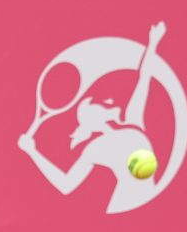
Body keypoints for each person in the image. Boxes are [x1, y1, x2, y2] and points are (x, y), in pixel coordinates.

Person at [17, 21, 167, 214]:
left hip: (146, 203)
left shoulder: (132, 120)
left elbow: (144, 77)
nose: (108, 102)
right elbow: (66, 185)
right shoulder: (95, 148)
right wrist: (33, 152)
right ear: (93, 119)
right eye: (98, 104)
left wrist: (153, 43)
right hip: (123, 206)